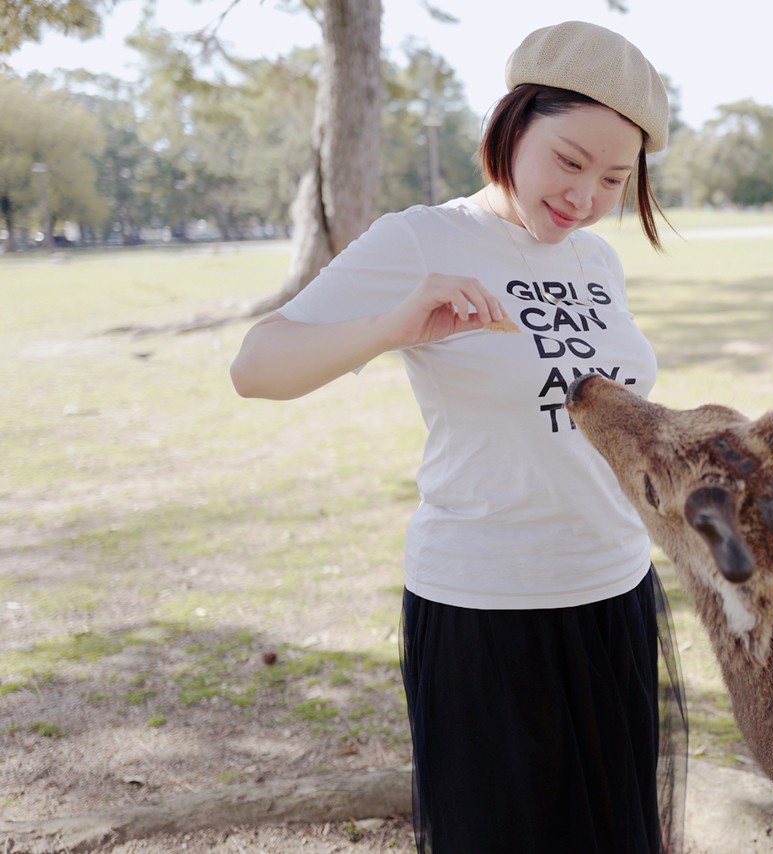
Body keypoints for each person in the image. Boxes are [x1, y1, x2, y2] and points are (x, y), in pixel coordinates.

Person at [230, 21, 686, 854]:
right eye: (570, 162)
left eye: (615, 178)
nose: (585, 197)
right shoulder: (422, 238)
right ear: (510, 126)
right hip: (487, 607)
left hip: (612, 590)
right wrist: (392, 325)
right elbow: (257, 366)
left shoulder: (595, 262)